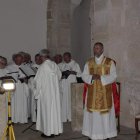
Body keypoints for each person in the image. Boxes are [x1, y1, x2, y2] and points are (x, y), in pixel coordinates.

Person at [81, 42, 117, 140]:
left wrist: (101, 77)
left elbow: (114, 76)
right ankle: (93, 135)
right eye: (94, 48)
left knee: (105, 116)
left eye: (97, 48)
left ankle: (105, 135)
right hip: (92, 94)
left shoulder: (109, 62)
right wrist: (91, 77)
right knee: (93, 115)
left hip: (105, 94)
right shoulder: (89, 63)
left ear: (102, 50)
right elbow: (83, 75)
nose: (95, 50)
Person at [34, 49, 63, 138]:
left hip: (45, 93)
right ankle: (56, 131)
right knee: (55, 110)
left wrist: (36, 92)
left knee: (46, 112)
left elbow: (38, 82)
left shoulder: (42, 67)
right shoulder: (54, 65)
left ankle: (48, 132)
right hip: (54, 92)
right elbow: (59, 76)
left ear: (42, 57)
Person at [59, 52, 82, 122]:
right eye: (65, 58)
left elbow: (80, 75)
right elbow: (57, 75)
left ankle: (70, 117)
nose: (66, 59)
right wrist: (61, 77)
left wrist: (75, 73)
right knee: (64, 101)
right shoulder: (61, 65)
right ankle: (64, 117)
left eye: (67, 58)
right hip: (63, 86)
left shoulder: (75, 64)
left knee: (71, 100)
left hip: (72, 85)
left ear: (70, 57)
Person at [7, 54, 29, 123]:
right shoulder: (10, 67)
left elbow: (27, 75)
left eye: (21, 60)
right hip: (14, 86)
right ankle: (13, 119)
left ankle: (23, 119)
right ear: (15, 59)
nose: (20, 61)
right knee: (14, 102)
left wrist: (26, 79)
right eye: (19, 60)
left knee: (22, 102)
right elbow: (8, 75)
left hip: (22, 86)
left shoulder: (24, 67)